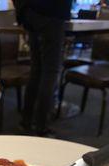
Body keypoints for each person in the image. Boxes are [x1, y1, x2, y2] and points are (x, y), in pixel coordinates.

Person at [13, 0, 73, 136]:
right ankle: (41, 126)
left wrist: (23, 11)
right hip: (52, 13)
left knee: (37, 71)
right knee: (50, 72)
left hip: (30, 14)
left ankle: (26, 121)